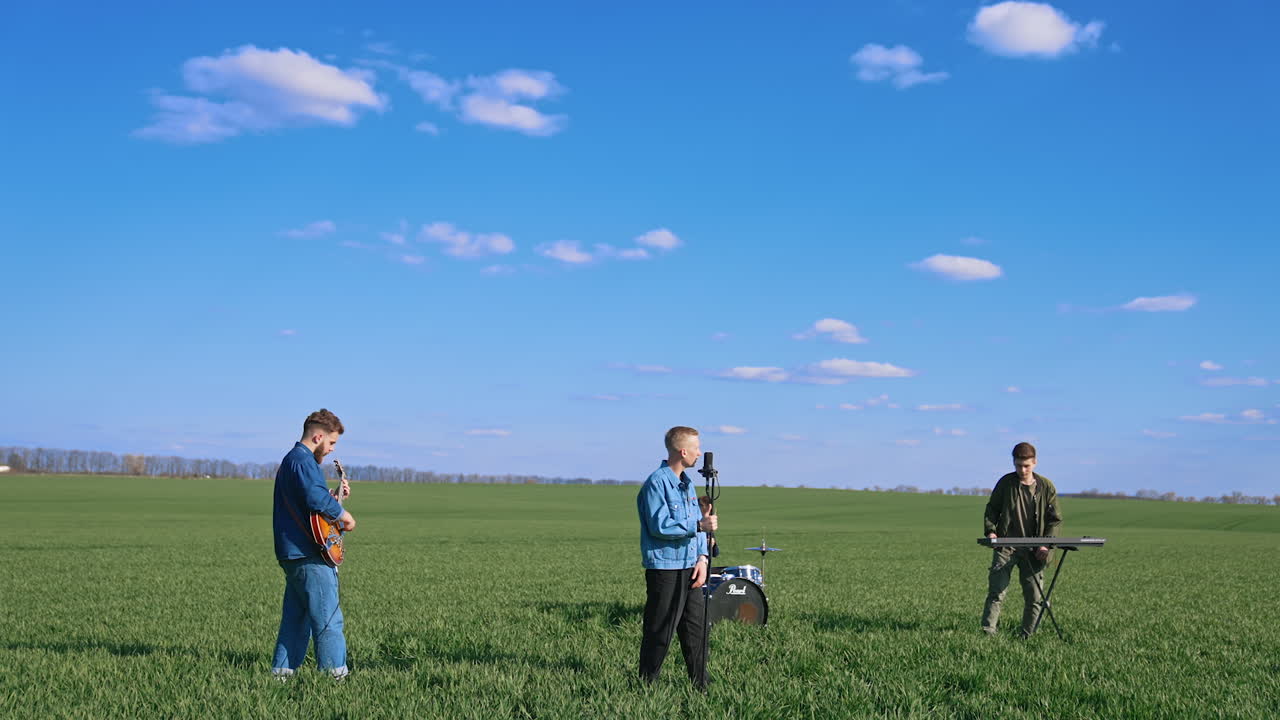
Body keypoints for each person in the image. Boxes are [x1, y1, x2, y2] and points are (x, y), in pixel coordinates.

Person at [270, 409, 356, 680]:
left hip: (292, 552)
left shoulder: (293, 461)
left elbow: (309, 501)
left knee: (296, 620)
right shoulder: (304, 461)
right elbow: (315, 499)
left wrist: (334, 497)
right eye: (331, 443)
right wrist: (344, 515)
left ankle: (281, 677)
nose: (331, 449)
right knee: (329, 619)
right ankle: (335, 679)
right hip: (309, 553)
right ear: (318, 436)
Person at [637, 426, 718, 689]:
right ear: (683, 451)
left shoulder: (688, 484)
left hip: (691, 566)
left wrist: (703, 558)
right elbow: (659, 526)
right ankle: (646, 684)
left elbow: (698, 523)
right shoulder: (657, 483)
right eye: (696, 448)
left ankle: (700, 686)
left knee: (696, 629)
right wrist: (698, 527)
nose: (699, 453)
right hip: (666, 567)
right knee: (661, 629)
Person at [981, 442, 1063, 638]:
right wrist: (991, 532)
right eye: (1018, 465)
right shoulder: (1006, 483)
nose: (1022, 470)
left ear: (1034, 463)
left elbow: (1055, 520)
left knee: (1035, 597)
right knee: (996, 592)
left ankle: (1027, 636)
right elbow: (992, 509)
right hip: (1006, 546)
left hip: (1035, 549)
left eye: (1026, 465)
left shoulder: (1046, 486)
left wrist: (1046, 545)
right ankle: (987, 633)